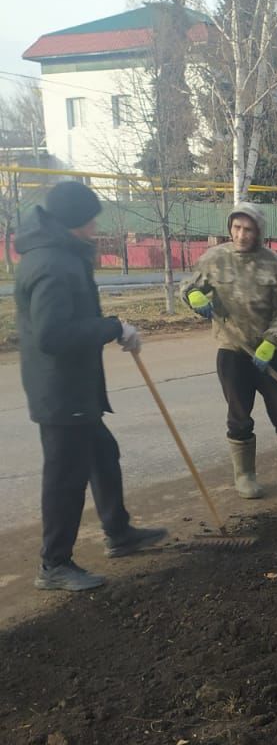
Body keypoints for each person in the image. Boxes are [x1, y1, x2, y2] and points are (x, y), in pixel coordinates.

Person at [14, 181, 167, 592]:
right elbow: (51, 335)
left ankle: (119, 533)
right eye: (91, 217)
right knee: (66, 476)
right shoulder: (51, 264)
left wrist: (109, 326)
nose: (96, 225)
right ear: (73, 221)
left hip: (73, 388)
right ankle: (54, 564)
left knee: (103, 453)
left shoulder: (60, 254)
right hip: (61, 393)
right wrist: (111, 327)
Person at [181, 203, 277, 498]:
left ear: (258, 231)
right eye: (236, 228)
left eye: (248, 229)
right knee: (239, 415)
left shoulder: (273, 265)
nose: (241, 234)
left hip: (266, 352)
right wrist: (193, 295)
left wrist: (271, 342)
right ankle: (245, 476)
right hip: (232, 351)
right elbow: (189, 286)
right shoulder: (215, 259)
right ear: (230, 228)